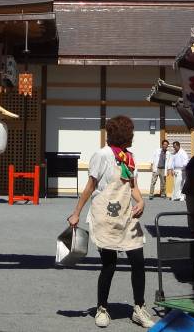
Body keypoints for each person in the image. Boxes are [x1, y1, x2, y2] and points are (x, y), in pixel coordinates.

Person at [68, 115, 156, 329]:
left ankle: (139, 308)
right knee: (109, 264)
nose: (133, 136)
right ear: (124, 135)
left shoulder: (129, 157)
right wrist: (76, 212)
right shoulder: (103, 155)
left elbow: (133, 186)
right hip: (105, 217)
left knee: (138, 261)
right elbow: (90, 186)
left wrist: (141, 201)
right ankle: (102, 308)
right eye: (131, 133)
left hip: (128, 216)